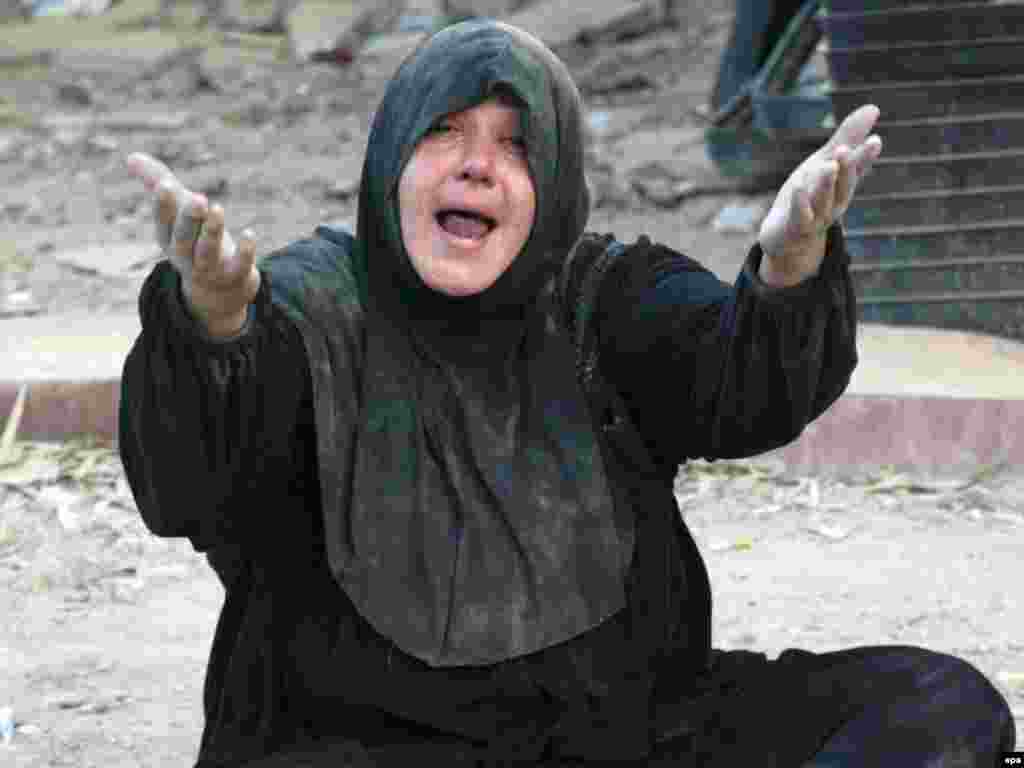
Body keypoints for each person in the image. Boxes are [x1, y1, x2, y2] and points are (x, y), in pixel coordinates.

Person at [119, 19, 1015, 768]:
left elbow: (741, 383)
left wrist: (789, 268)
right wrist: (211, 327)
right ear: (390, 157)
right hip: (356, 744)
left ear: (554, 191)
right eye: (444, 133)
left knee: (939, 709)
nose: (476, 166)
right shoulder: (302, 309)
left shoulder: (601, 298)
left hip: (626, 737)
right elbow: (182, 486)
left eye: (516, 146)